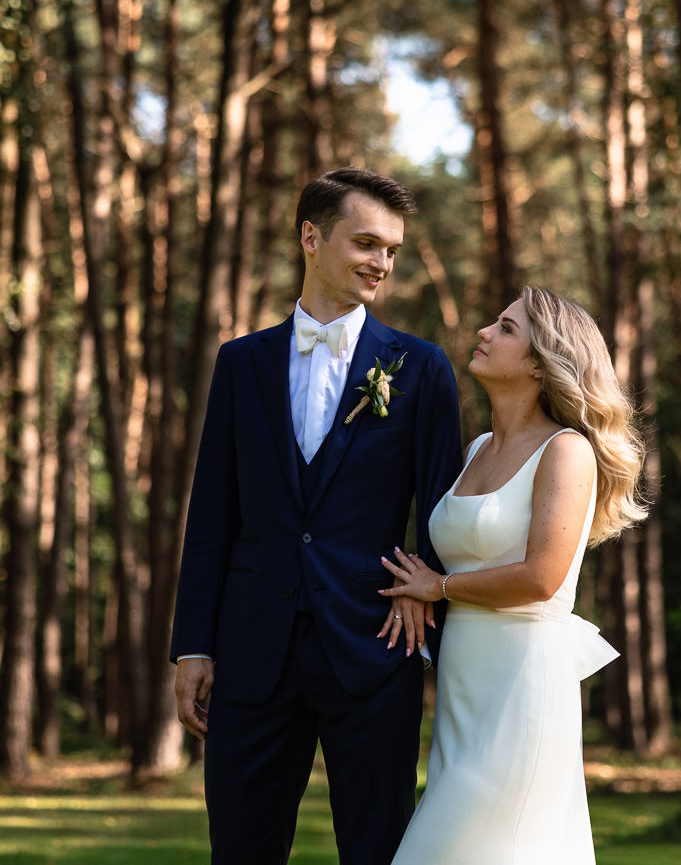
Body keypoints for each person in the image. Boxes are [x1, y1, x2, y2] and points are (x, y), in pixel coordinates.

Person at [169, 168, 464, 865]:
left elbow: (443, 511)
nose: (381, 263)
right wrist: (193, 644)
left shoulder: (419, 368)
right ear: (310, 236)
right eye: (366, 242)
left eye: (391, 249)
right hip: (251, 652)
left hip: (375, 644)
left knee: (379, 849)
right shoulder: (240, 364)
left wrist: (435, 610)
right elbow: (213, 510)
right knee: (240, 848)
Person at [379, 286, 647, 865]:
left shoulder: (566, 450)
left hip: (523, 685)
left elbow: (541, 577)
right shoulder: (476, 448)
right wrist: (418, 591)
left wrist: (440, 588)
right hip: (463, 689)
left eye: (505, 328)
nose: (483, 331)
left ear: (538, 361)